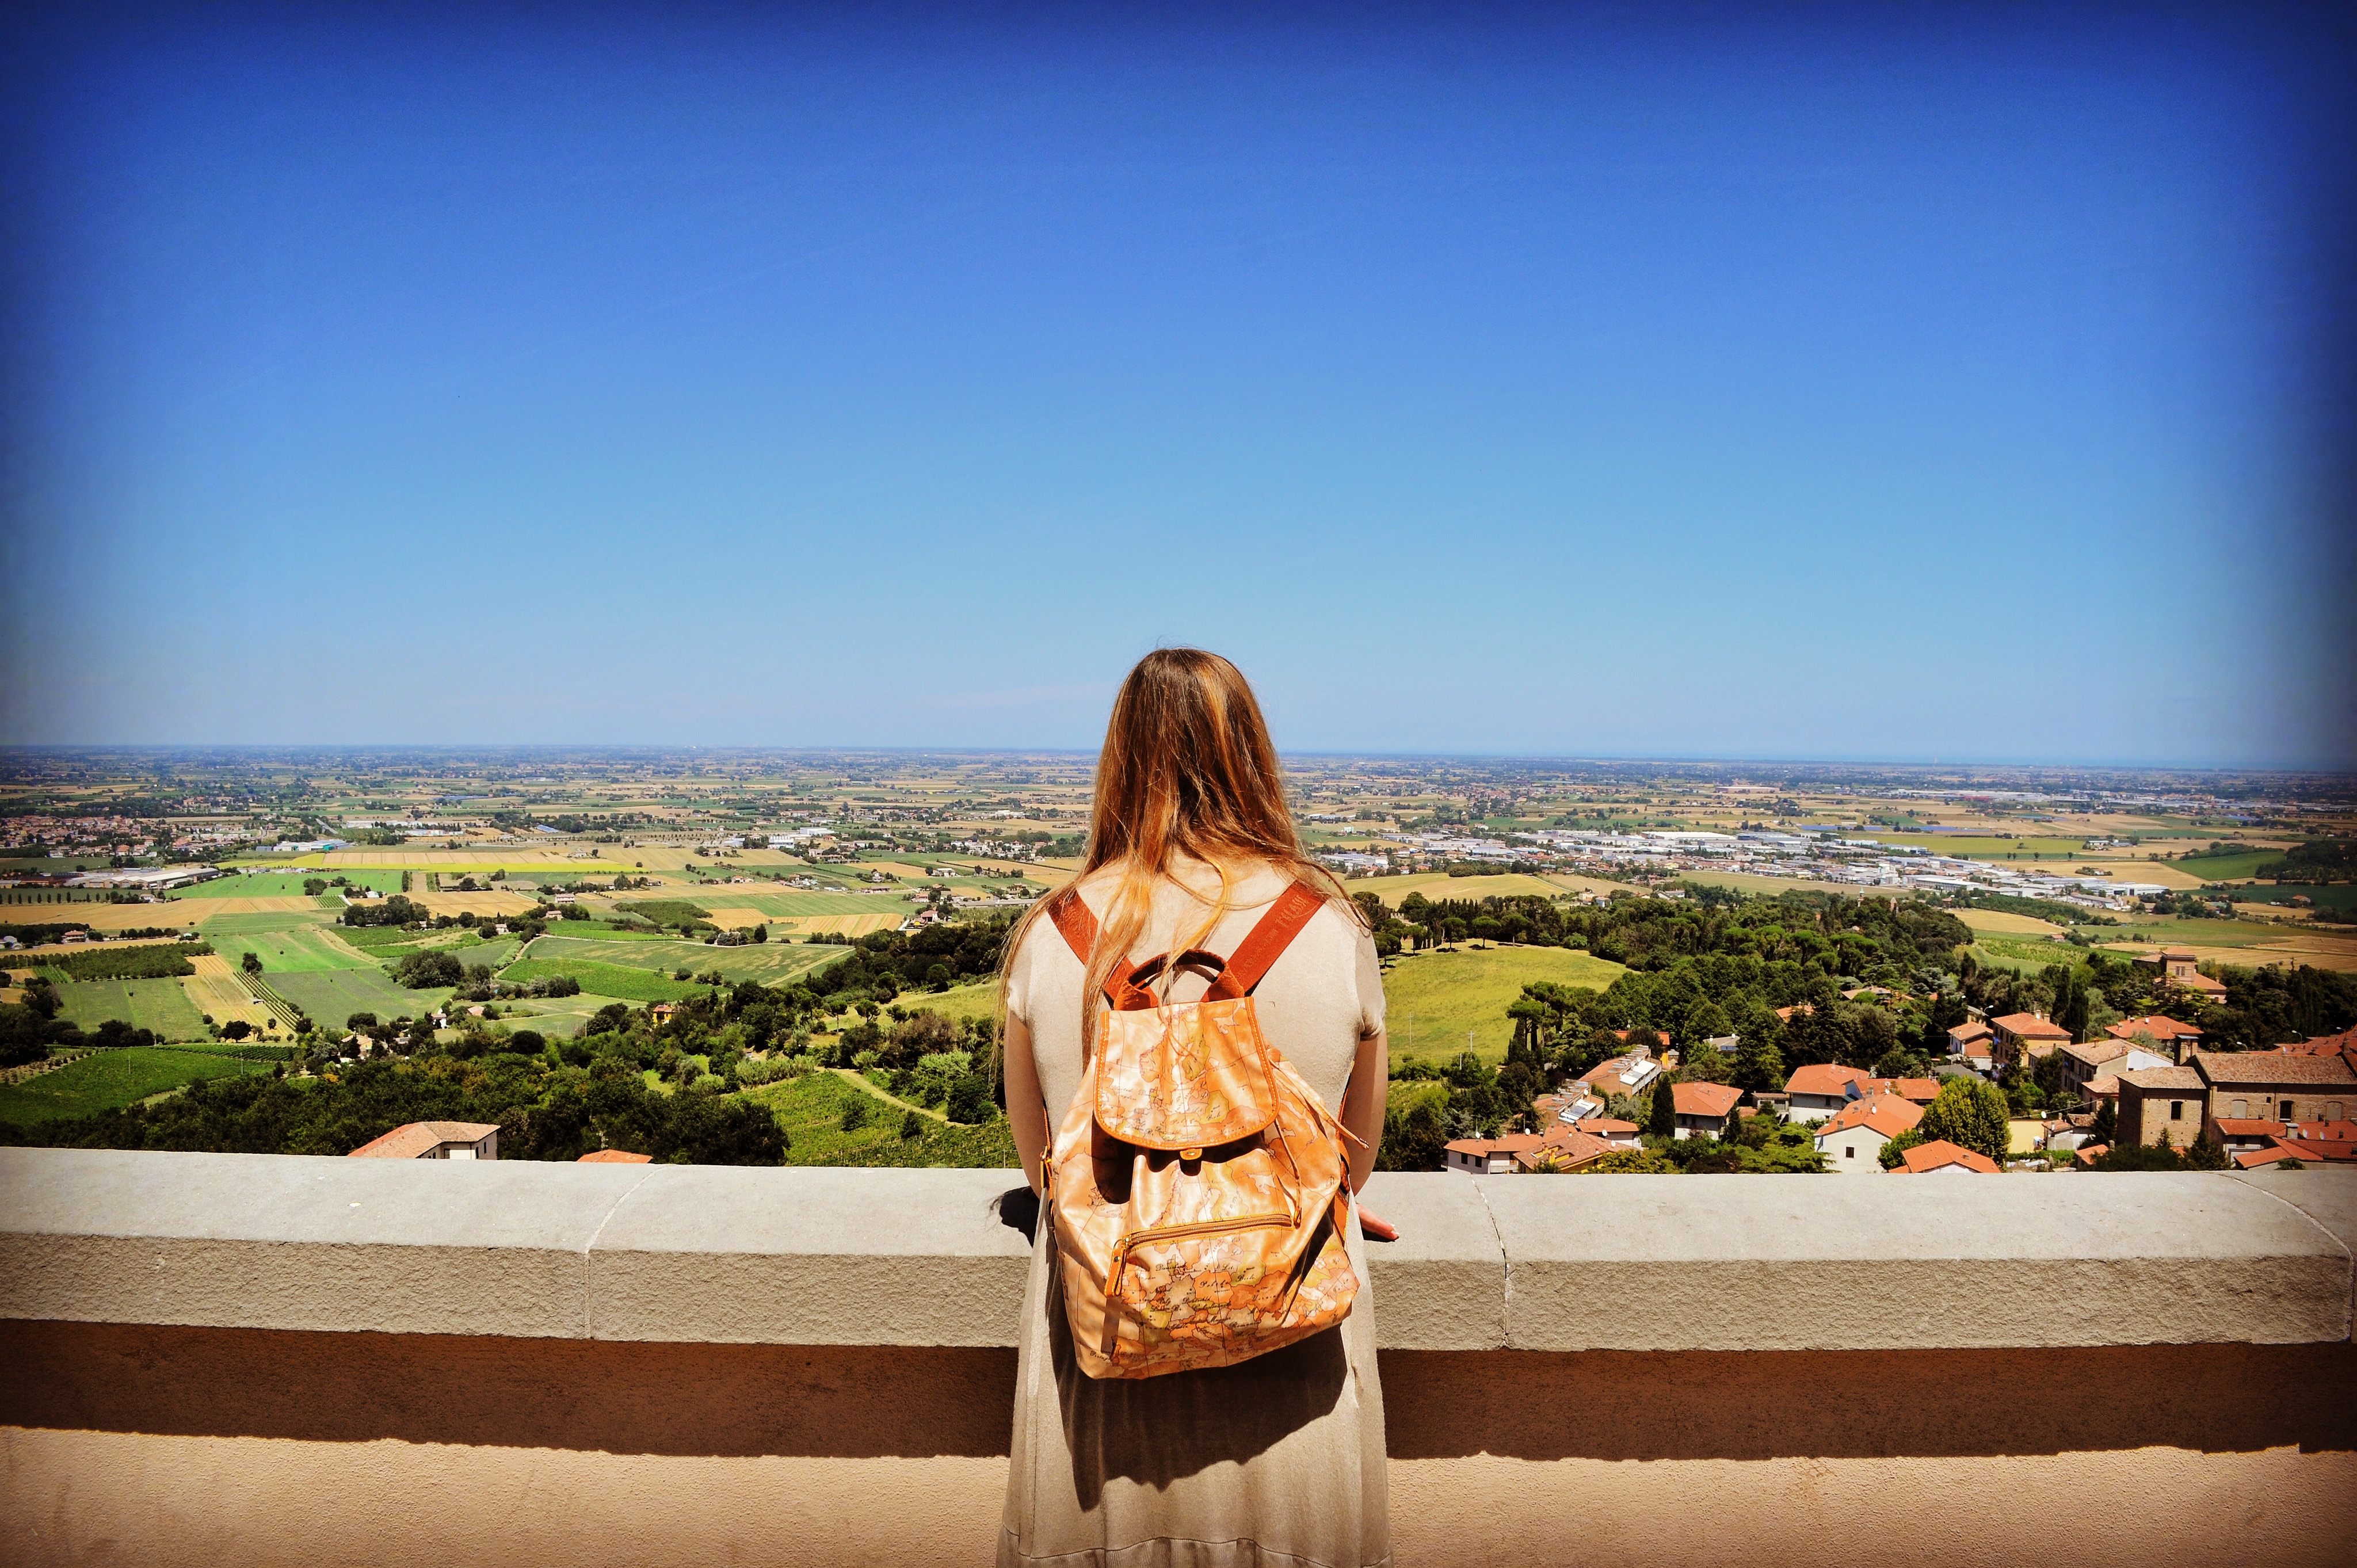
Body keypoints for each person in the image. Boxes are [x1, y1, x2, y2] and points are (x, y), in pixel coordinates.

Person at [997, 647, 1394, 1568]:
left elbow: (1044, 1171)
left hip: (1105, 1396)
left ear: (1118, 761)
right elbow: (1353, 1160)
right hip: (1294, 1392)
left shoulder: (1055, 935)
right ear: (1253, 757)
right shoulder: (1333, 931)